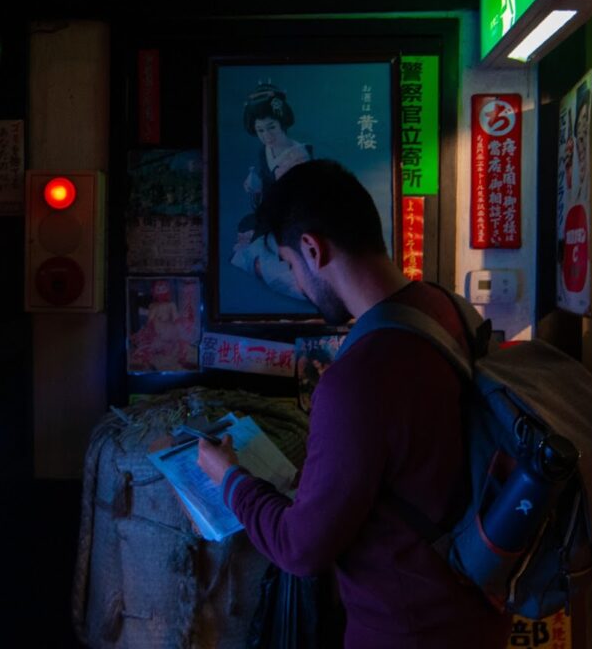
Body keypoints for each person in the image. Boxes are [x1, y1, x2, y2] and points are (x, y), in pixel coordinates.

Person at [198, 159, 510, 648]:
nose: (297, 284)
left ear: (311, 248)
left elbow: (300, 549)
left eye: (289, 264)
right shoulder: (445, 308)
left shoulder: (356, 380)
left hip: (405, 633)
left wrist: (229, 478)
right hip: (478, 616)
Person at [231, 82, 312, 299]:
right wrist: (255, 185)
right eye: (260, 130)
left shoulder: (298, 156)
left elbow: (298, 200)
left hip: (294, 217)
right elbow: (266, 189)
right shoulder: (265, 149)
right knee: (247, 229)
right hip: (272, 212)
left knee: (278, 249)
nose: (267, 135)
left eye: (271, 127)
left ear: (283, 123)